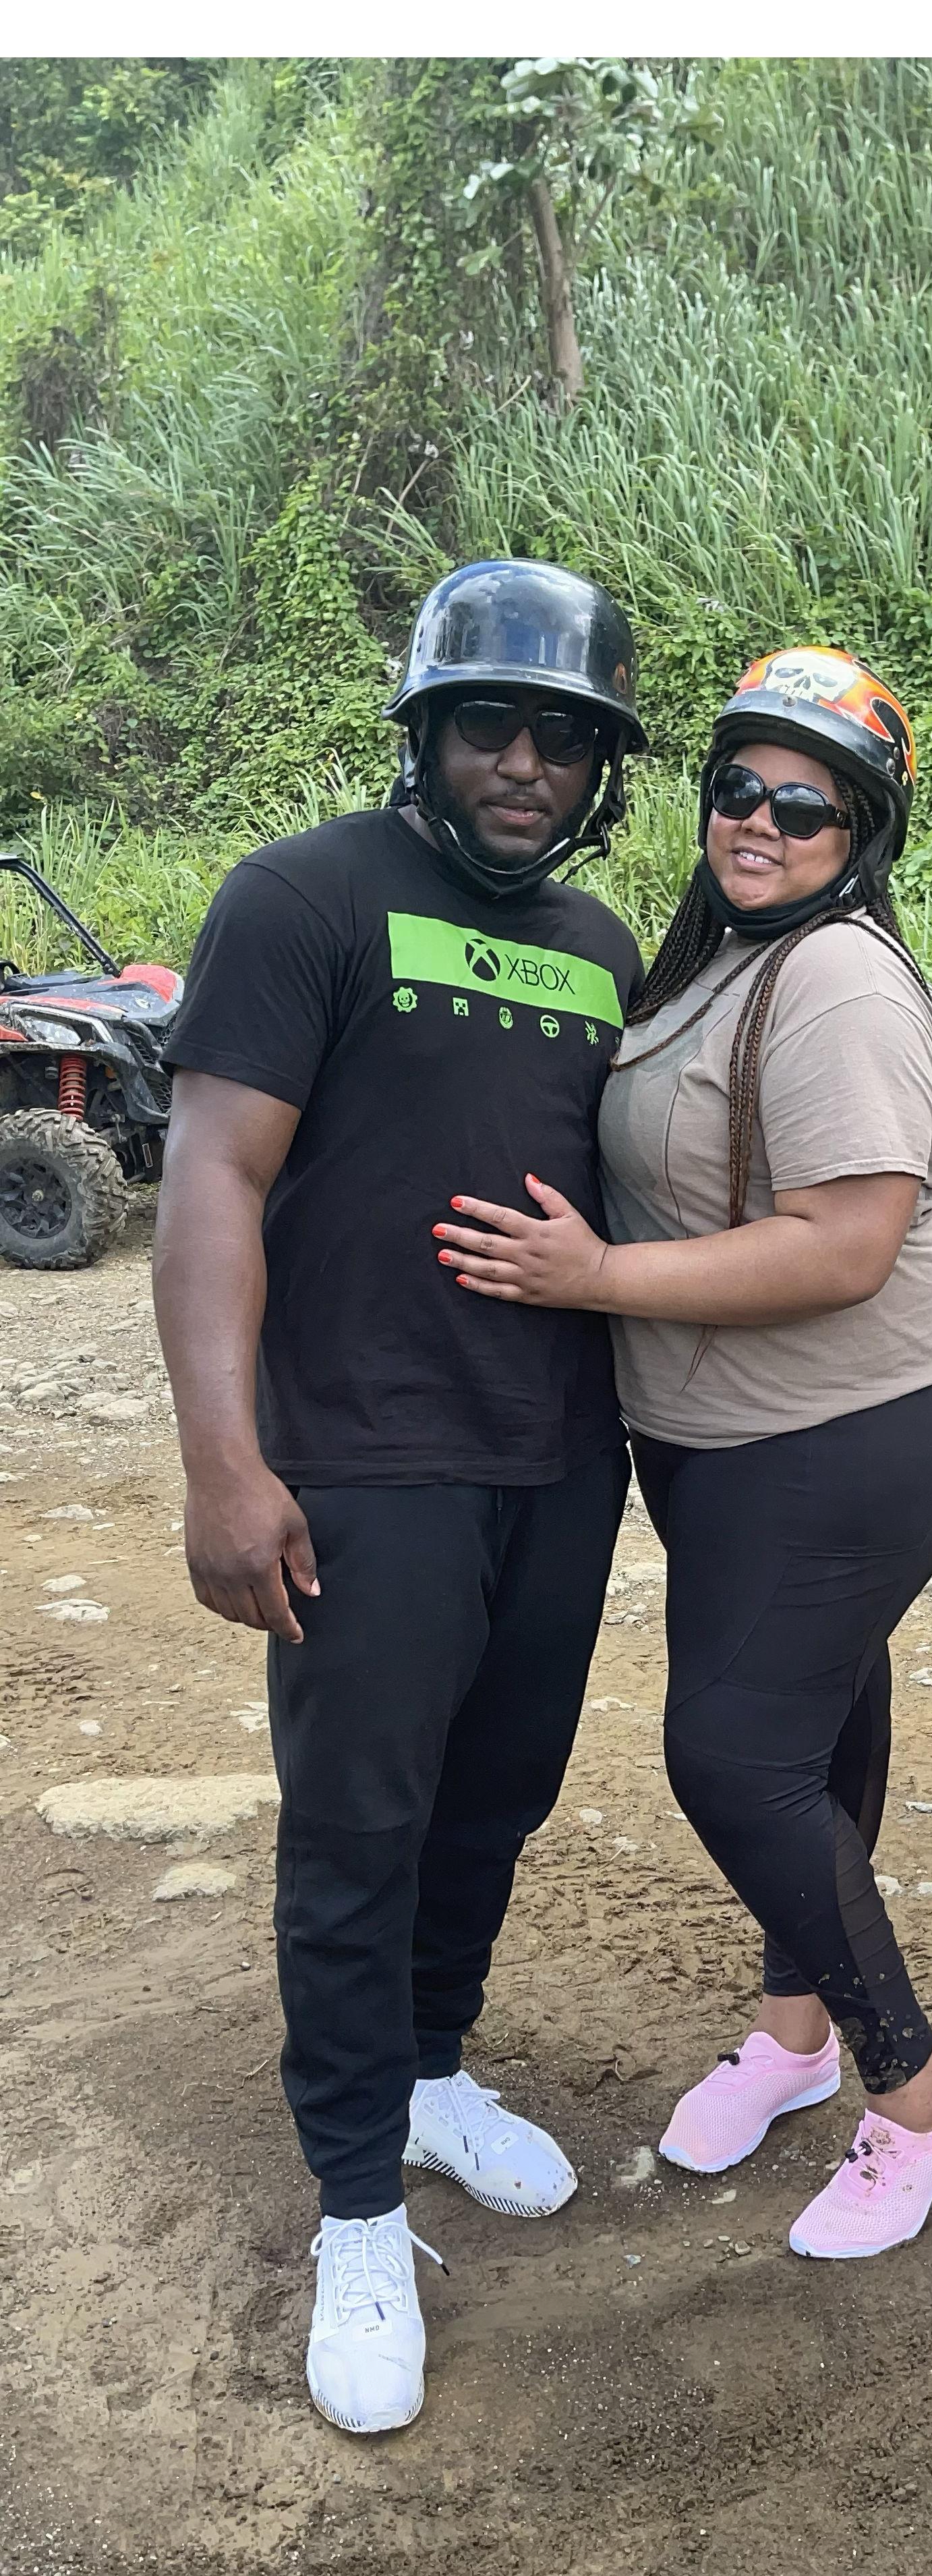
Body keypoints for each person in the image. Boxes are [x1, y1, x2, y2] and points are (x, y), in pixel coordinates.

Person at [156, 559, 649, 2436]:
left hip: (556, 1456)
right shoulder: (304, 897)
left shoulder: (606, 938)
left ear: (601, 769)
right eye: (491, 725)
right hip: (364, 1455)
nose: (525, 762)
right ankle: (357, 2199)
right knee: (357, 1822)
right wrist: (225, 1459)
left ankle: (434, 2069)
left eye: (566, 737)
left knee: (497, 1793)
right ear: (428, 733)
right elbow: (211, 1179)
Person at [432, 648, 932, 2263]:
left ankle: (922, 2095)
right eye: (735, 786)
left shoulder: (836, 980)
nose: (757, 819)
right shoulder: (718, 951)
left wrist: (595, 1280)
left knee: (735, 1756)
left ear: (860, 829)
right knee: (813, 1729)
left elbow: (844, 1244)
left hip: (852, 1422)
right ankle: (796, 2036)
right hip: (730, 1432)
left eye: (803, 801)